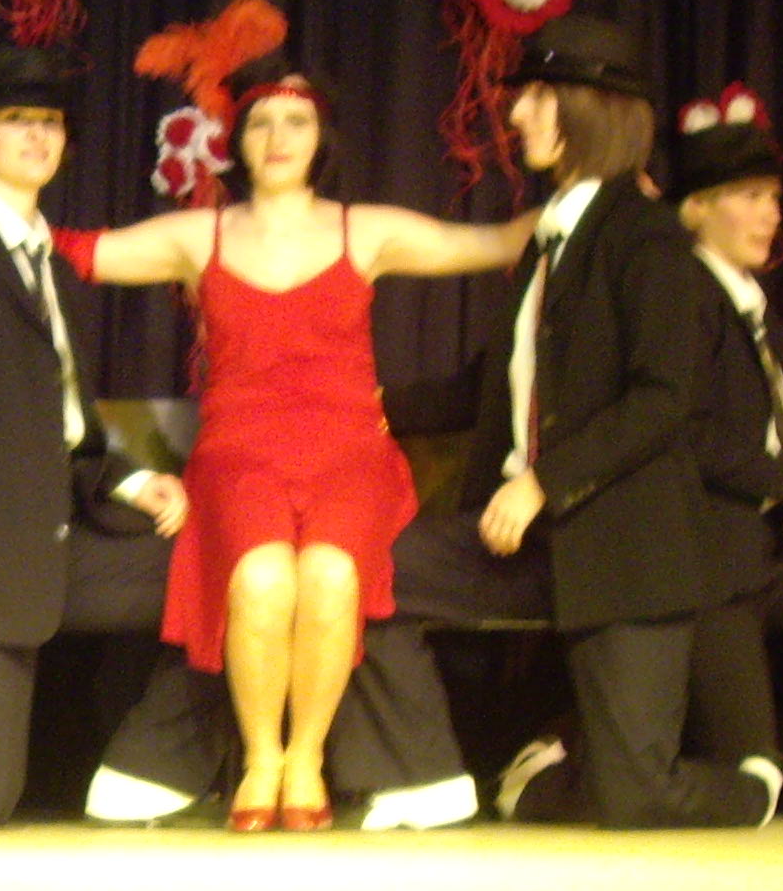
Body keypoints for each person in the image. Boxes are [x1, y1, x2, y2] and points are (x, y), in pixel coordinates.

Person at [40, 48, 533, 828]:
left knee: (332, 575)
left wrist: (609, 194)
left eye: (296, 121)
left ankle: (304, 760)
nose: (278, 137)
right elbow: (71, 250)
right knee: (264, 578)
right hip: (239, 457)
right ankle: (261, 760)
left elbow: (503, 242)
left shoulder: (364, 230)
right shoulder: (198, 235)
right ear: (238, 141)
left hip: (349, 456)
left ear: (320, 136)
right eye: (261, 122)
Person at [330, 14, 775, 829]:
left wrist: (543, 483)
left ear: (589, 110)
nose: (518, 113)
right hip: (522, 539)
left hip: (620, 545)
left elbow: (661, 400)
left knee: (636, 798)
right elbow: (490, 387)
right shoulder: (551, 240)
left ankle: (752, 789)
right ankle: (422, 773)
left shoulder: (647, 239)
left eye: (537, 96)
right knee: (355, 568)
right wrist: (359, 407)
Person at [0, 42, 225, 829]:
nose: (37, 135)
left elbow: (67, 432)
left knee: (231, 568)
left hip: (56, 549)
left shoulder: (54, 270)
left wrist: (134, 481)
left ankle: (150, 766)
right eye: (16, 119)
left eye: (51, 122)